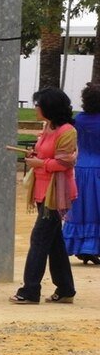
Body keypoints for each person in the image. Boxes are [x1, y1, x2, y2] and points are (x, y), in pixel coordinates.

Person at [10, 86, 78, 304]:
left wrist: (41, 163)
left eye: (38, 104)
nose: (36, 108)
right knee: (54, 241)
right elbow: (48, 153)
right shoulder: (48, 127)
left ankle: (30, 290)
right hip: (42, 190)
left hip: (56, 193)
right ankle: (66, 288)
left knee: (39, 238)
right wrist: (36, 155)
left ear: (49, 107)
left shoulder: (67, 131)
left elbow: (66, 162)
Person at [63, 82, 100, 264]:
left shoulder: (78, 119)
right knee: (96, 209)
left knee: (81, 208)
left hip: (80, 169)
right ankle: (93, 247)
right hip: (98, 170)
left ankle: (82, 247)